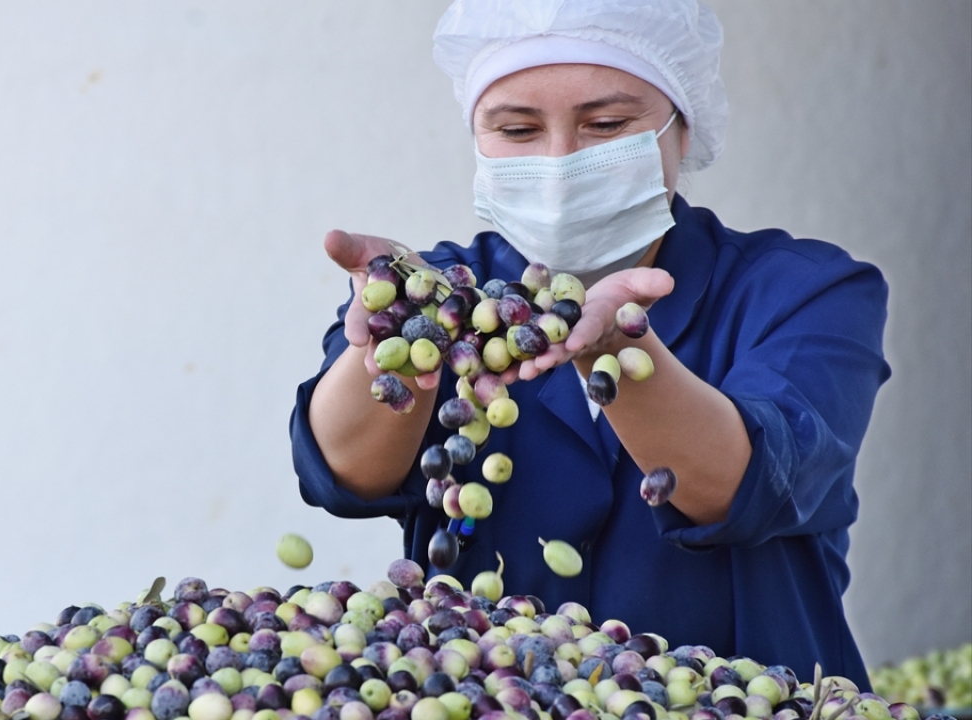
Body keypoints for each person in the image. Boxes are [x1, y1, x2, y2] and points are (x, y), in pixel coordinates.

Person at [289, 0, 889, 687]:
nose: (559, 160)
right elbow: (342, 472)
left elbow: (749, 480)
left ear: (680, 128)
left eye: (607, 124)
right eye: (516, 127)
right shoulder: (436, 294)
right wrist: (394, 346)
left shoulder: (808, 292)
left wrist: (614, 350)